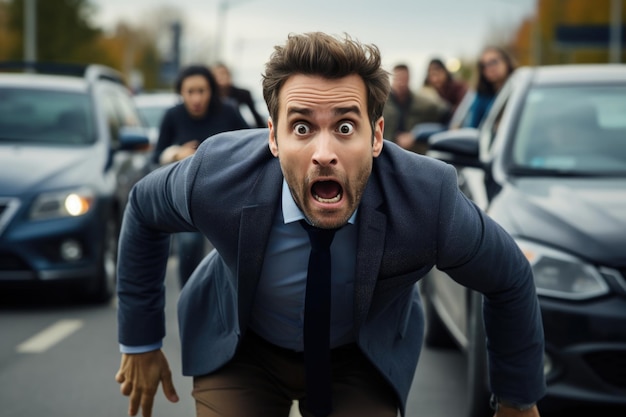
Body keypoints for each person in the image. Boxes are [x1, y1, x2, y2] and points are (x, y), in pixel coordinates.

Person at [115, 32, 546, 417]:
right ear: (273, 137)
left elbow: (508, 276)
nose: (324, 152)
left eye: (344, 126)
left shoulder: (427, 199)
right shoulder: (216, 174)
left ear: (376, 136)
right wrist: (141, 341)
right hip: (244, 349)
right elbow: (143, 209)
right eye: (301, 127)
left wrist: (515, 401)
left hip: (360, 356)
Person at [152, 64, 250, 287]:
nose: (196, 98)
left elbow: (250, 144)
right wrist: (177, 153)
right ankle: (190, 294)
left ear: (211, 91)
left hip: (226, 194)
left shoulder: (228, 111)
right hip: (188, 195)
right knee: (188, 245)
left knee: (230, 251)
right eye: (190, 91)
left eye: (202, 91)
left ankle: (231, 300)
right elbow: (156, 156)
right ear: (181, 92)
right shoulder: (173, 115)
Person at [382, 63, 450, 154]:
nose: (401, 83)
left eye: (404, 79)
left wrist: (414, 135)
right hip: (386, 151)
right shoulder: (382, 103)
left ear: (409, 79)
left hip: (414, 152)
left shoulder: (422, 103)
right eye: (398, 79)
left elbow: (444, 111)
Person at [466, 46, 516, 128]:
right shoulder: (481, 97)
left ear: (506, 62)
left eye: (493, 62)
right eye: (484, 65)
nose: (489, 68)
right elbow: (472, 128)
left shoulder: (519, 90)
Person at [212, 62, 267, 128]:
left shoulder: (243, 94)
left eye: (223, 74)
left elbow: (256, 118)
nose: (220, 78)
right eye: (216, 75)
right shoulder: (211, 98)